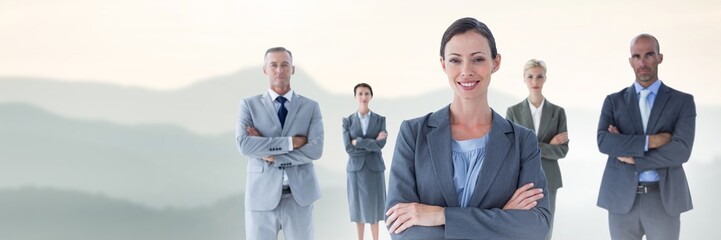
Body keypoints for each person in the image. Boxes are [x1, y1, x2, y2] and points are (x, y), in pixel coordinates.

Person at [384, 17, 551, 240]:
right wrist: (502, 217)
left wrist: (440, 215)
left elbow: (536, 226)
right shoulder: (413, 134)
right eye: (455, 60)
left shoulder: (523, 141)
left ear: (496, 62)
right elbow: (401, 228)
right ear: (443, 64)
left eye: (478, 59)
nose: (466, 71)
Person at [596, 34, 695, 240]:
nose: (643, 62)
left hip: (663, 199)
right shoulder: (613, 102)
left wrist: (633, 157)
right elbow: (604, 142)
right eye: (637, 56)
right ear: (630, 61)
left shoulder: (682, 102)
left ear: (660, 57)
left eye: (649, 55)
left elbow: (681, 151)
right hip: (621, 200)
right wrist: (652, 141)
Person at [235, 47, 324, 240]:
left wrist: (273, 155)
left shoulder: (311, 107)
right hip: (260, 197)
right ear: (265, 69)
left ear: (292, 69)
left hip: (299, 197)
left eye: (284, 65)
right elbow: (244, 144)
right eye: (273, 65)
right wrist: (291, 142)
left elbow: (315, 150)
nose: (279, 70)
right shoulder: (249, 105)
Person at [506, 59, 569, 240]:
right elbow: (512, 150)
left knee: (545, 230)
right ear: (524, 79)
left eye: (539, 76)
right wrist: (548, 145)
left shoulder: (558, 112)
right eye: (530, 77)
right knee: (520, 229)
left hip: (550, 179)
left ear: (545, 79)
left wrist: (529, 146)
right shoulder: (513, 112)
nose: (535, 81)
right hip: (519, 181)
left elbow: (562, 151)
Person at [342, 83, 388, 240]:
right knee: (357, 208)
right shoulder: (347, 121)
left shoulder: (380, 120)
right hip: (355, 169)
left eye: (366, 93)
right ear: (355, 96)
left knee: (374, 209)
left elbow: (380, 145)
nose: (363, 97)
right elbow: (348, 147)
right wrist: (371, 142)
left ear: (371, 96)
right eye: (360, 93)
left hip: (374, 168)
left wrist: (359, 142)